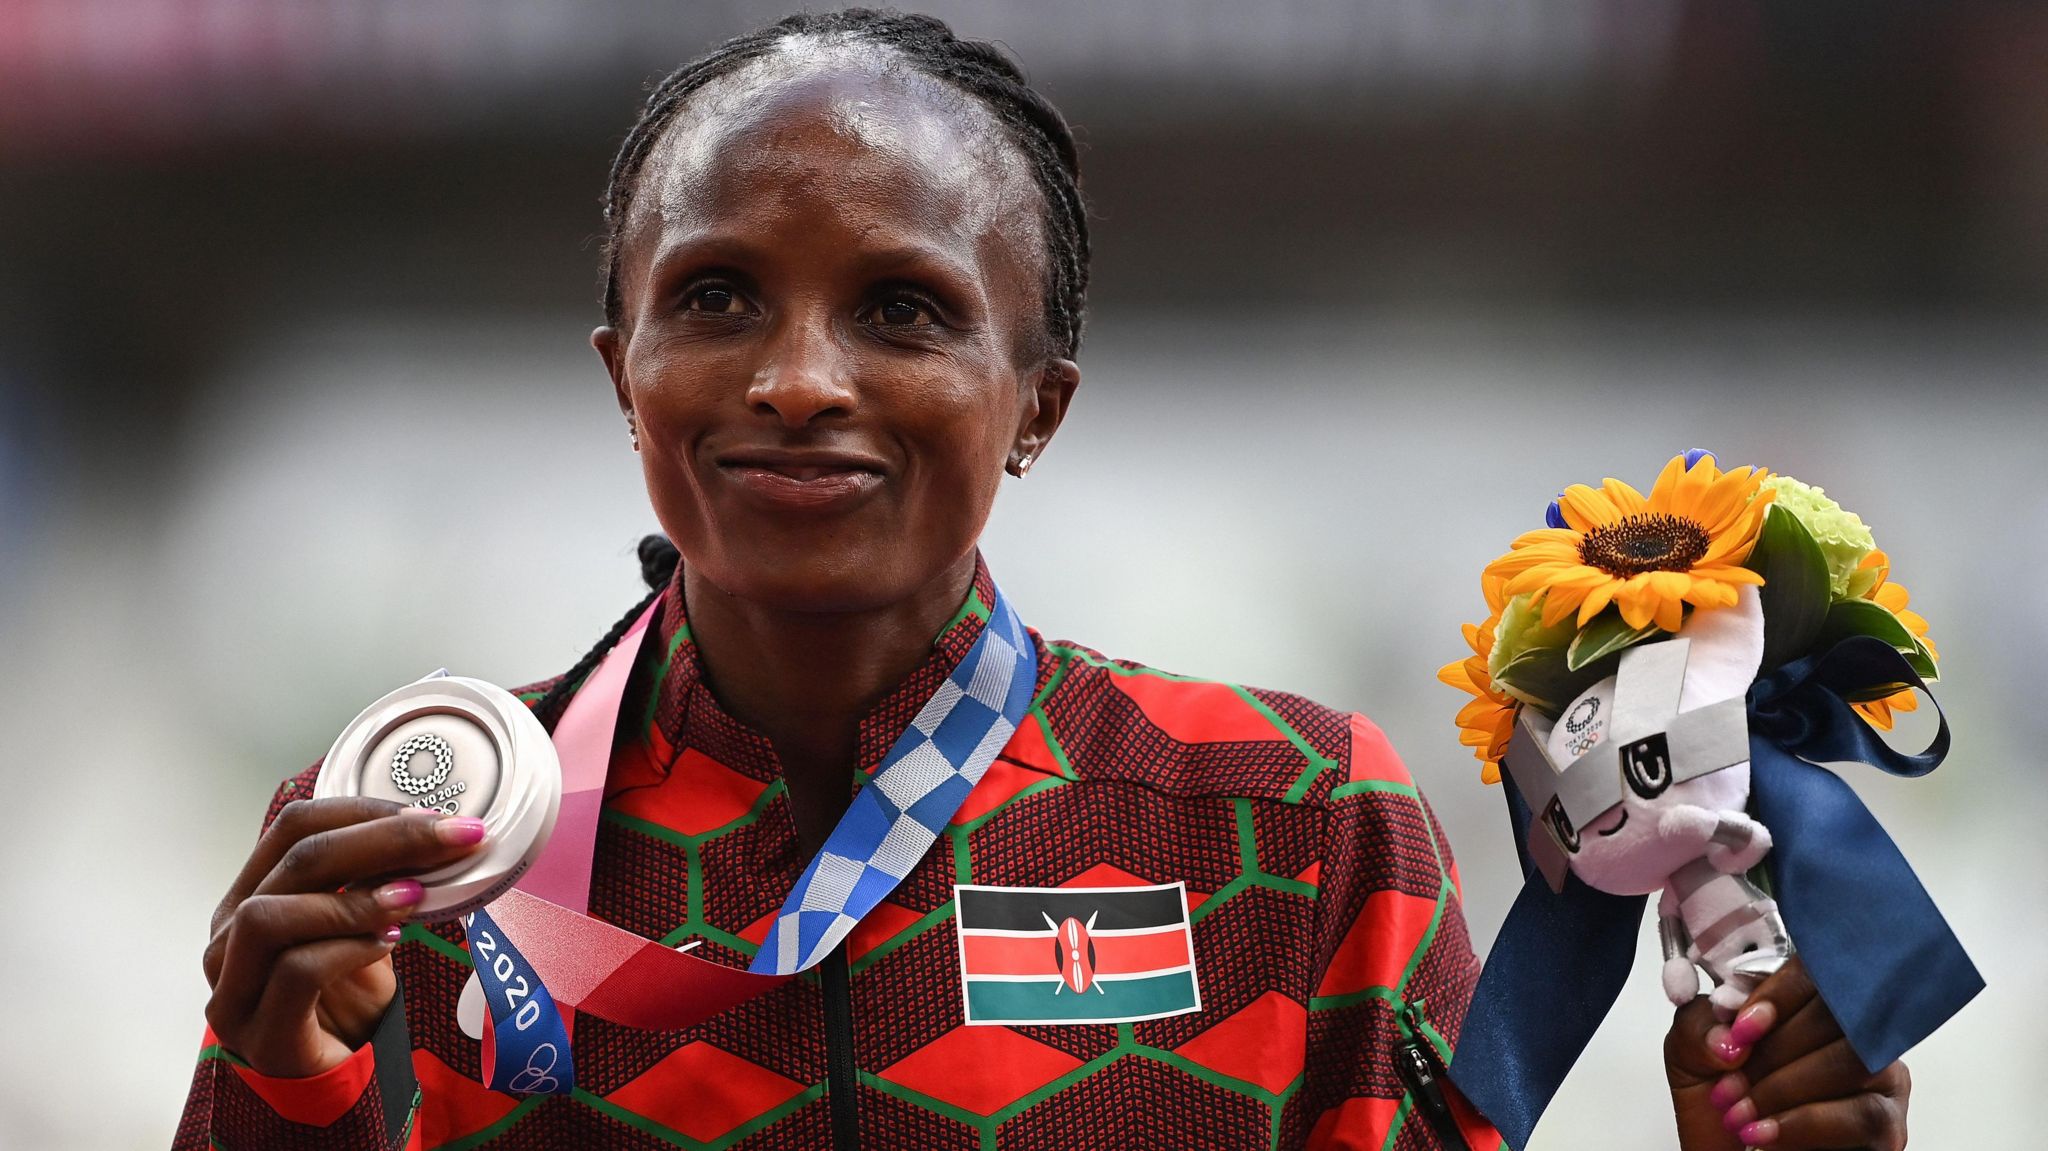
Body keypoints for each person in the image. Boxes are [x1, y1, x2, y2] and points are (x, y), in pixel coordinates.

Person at [174, 10, 1912, 1150]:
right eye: (714, 299)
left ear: (1037, 408)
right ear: (620, 368)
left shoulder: (1291, 824)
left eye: (905, 310)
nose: (797, 376)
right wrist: (277, 1093)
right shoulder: (417, 848)